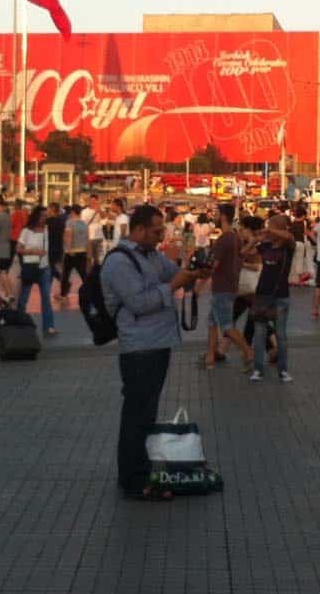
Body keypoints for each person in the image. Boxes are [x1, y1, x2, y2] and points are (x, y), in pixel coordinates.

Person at [99, 205, 203, 500]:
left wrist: (194, 272)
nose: (161, 236)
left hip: (158, 343)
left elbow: (176, 274)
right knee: (137, 414)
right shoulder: (120, 261)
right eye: (157, 231)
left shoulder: (151, 256)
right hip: (139, 347)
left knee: (145, 412)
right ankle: (134, 480)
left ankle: (136, 472)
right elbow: (139, 303)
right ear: (140, 229)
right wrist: (173, 285)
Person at [203, 203, 253, 369]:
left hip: (222, 287)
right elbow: (240, 259)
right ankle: (210, 356)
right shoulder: (236, 237)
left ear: (223, 216)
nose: (214, 217)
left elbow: (214, 264)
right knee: (212, 322)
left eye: (217, 214)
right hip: (230, 286)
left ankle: (248, 351)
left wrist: (199, 283)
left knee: (226, 325)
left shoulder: (224, 239)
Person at [249, 212, 297, 383]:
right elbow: (245, 251)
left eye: (272, 226)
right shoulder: (266, 246)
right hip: (262, 294)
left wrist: (271, 230)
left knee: (281, 334)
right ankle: (258, 369)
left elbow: (288, 236)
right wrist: (256, 239)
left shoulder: (288, 247)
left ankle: (283, 370)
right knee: (260, 334)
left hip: (280, 296)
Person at [15, 205, 58, 336]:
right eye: (42, 216)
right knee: (23, 298)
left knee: (46, 297)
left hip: (44, 268)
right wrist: (32, 251)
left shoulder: (47, 229)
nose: (45, 218)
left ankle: (49, 326)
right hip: (30, 267)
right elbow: (19, 249)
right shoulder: (27, 231)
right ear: (36, 216)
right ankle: (19, 322)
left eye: (46, 216)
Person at [60, 204, 90, 299]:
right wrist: (89, 254)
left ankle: (63, 294)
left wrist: (67, 249)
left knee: (65, 274)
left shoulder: (70, 223)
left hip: (72, 252)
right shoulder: (84, 224)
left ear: (72, 212)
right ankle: (91, 292)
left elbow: (69, 235)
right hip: (83, 251)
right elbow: (87, 239)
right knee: (83, 274)